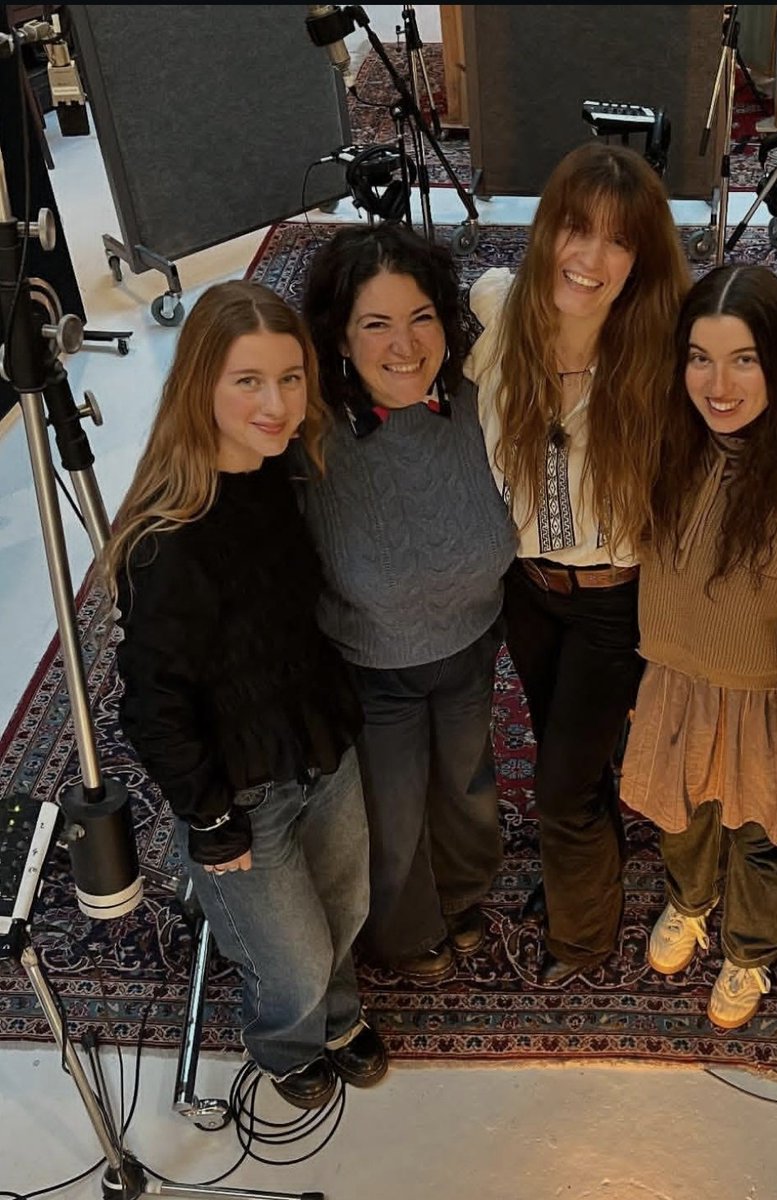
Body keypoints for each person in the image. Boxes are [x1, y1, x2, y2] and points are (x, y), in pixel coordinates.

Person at [106, 280, 387, 1110]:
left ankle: (337, 1018)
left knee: (345, 907)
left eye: (291, 378)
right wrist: (208, 817)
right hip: (238, 792)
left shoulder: (277, 472)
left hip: (320, 746)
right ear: (201, 385)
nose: (279, 404)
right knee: (290, 958)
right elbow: (150, 704)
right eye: (249, 382)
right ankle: (285, 1038)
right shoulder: (166, 543)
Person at [466, 142, 691, 984]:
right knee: (577, 757)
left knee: (559, 788)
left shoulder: (664, 348)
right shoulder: (497, 310)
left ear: (642, 260)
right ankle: (584, 873)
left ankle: (585, 936)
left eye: (618, 241)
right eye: (575, 228)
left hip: (615, 603)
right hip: (526, 589)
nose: (590, 259)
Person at [620, 264, 777, 1030]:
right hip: (676, 675)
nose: (718, 385)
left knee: (761, 840)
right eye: (700, 357)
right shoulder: (667, 431)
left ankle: (750, 951)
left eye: (744, 359)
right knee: (680, 814)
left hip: (766, 697)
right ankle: (691, 903)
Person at [299, 222, 517, 981]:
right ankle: (404, 930)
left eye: (421, 317)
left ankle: (462, 896)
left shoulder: (473, 396)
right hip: (372, 666)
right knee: (391, 817)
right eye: (376, 324)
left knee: (467, 789)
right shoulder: (308, 433)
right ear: (339, 337)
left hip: (470, 644)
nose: (404, 344)